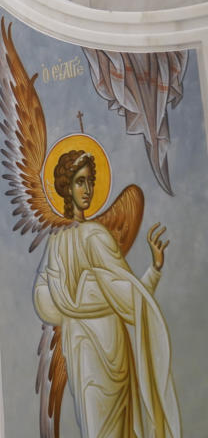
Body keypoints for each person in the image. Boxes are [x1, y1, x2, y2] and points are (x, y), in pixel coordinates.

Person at [33, 150, 180, 437]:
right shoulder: (58, 244)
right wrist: (79, 298)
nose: (87, 190)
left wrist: (154, 270)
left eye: (90, 181)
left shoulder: (97, 236)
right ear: (66, 188)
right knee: (95, 427)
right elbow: (43, 301)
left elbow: (127, 296)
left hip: (111, 347)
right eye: (79, 182)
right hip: (83, 349)